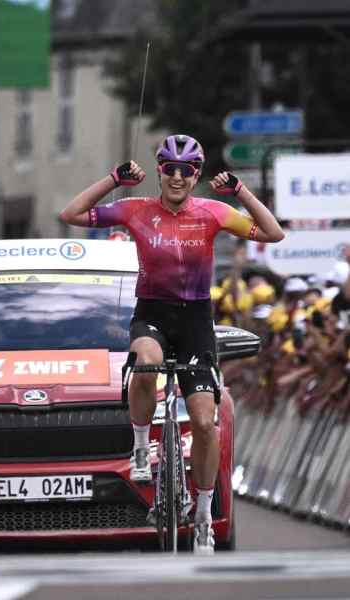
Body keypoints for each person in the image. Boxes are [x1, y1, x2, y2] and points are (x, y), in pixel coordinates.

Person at [59, 134, 284, 554]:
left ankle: (203, 516)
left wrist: (240, 191)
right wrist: (114, 180)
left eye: (187, 171)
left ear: (197, 176)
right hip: (153, 314)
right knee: (146, 362)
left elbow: (273, 233)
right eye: (170, 169)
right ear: (159, 172)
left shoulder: (213, 212)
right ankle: (140, 446)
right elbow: (70, 213)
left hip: (196, 322)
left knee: (204, 423)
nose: (178, 177)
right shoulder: (136, 209)